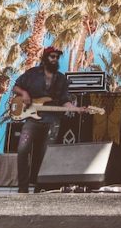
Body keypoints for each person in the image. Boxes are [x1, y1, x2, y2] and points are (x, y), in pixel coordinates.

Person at [12, 46, 75, 193]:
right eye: (52, 56)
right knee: (22, 150)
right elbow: (16, 87)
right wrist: (25, 93)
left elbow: (64, 99)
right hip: (32, 119)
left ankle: (40, 188)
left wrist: (72, 107)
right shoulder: (33, 73)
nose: (55, 59)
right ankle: (23, 188)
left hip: (52, 120)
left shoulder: (61, 78)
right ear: (45, 58)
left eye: (57, 57)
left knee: (46, 154)